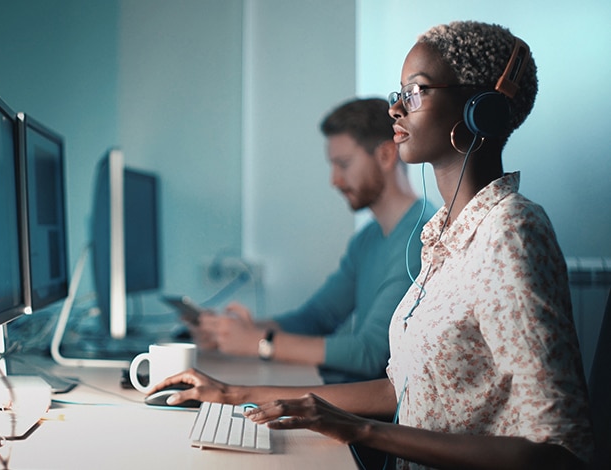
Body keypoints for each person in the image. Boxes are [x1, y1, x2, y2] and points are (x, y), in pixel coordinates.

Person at [150, 20, 594, 469]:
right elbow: (398, 389)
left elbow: (560, 452)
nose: (397, 109)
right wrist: (232, 393)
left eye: (416, 91)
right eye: (397, 93)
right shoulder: (443, 234)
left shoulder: (510, 230)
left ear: (479, 109)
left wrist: (360, 430)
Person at [193, 97, 435, 384]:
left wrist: (260, 342)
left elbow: (372, 353)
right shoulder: (368, 239)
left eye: (343, 164)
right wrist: (235, 332)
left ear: (385, 155)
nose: (334, 180)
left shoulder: (423, 237)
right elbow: (317, 318)